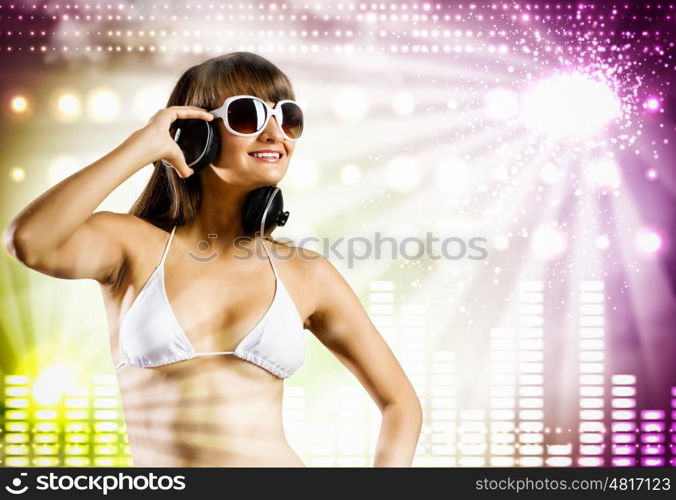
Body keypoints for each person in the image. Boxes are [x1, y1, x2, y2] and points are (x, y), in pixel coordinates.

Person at [4, 52, 422, 467]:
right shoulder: (129, 245)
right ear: (194, 135)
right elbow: (30, 241)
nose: (275, 133)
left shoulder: (306, 273)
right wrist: (142, 147)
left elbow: (401, 404)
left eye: (287, 117)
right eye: (248, 116)